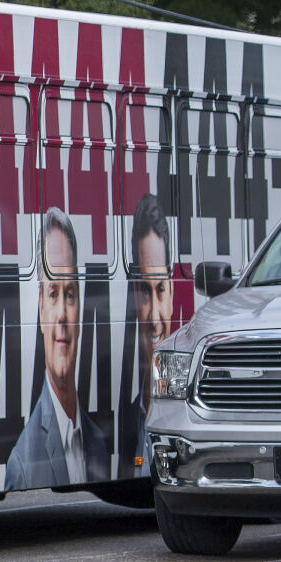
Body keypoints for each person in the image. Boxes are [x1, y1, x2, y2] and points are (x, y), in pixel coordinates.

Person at [5, 208, 110, 489]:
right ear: (41, 308)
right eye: (53, 294)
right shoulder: (22, 463)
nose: (63, 314)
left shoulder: (97, 442)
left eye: (71, 294)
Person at [116, 194, 173, 477]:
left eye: (160, 290)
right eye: (144, 293)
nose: (153, 319)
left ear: (172, 292)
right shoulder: (123, 420)